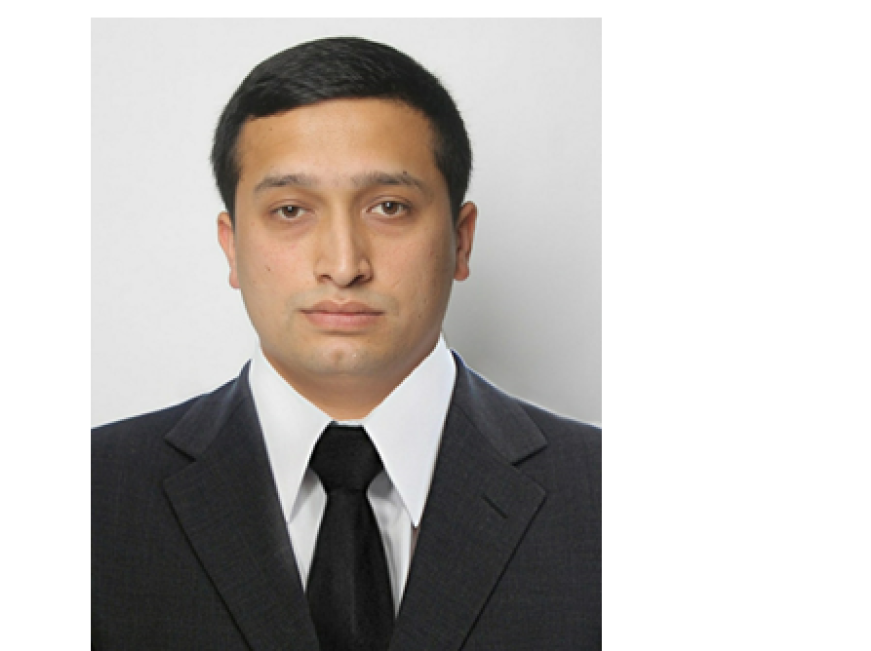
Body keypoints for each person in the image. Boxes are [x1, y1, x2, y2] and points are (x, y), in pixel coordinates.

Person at [92, 36, 600, 650]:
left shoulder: (602, 493)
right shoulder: (95, 494)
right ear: (232, 246)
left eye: (389, 207)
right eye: (290, 210)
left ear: (461, 240)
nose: (342, 265)